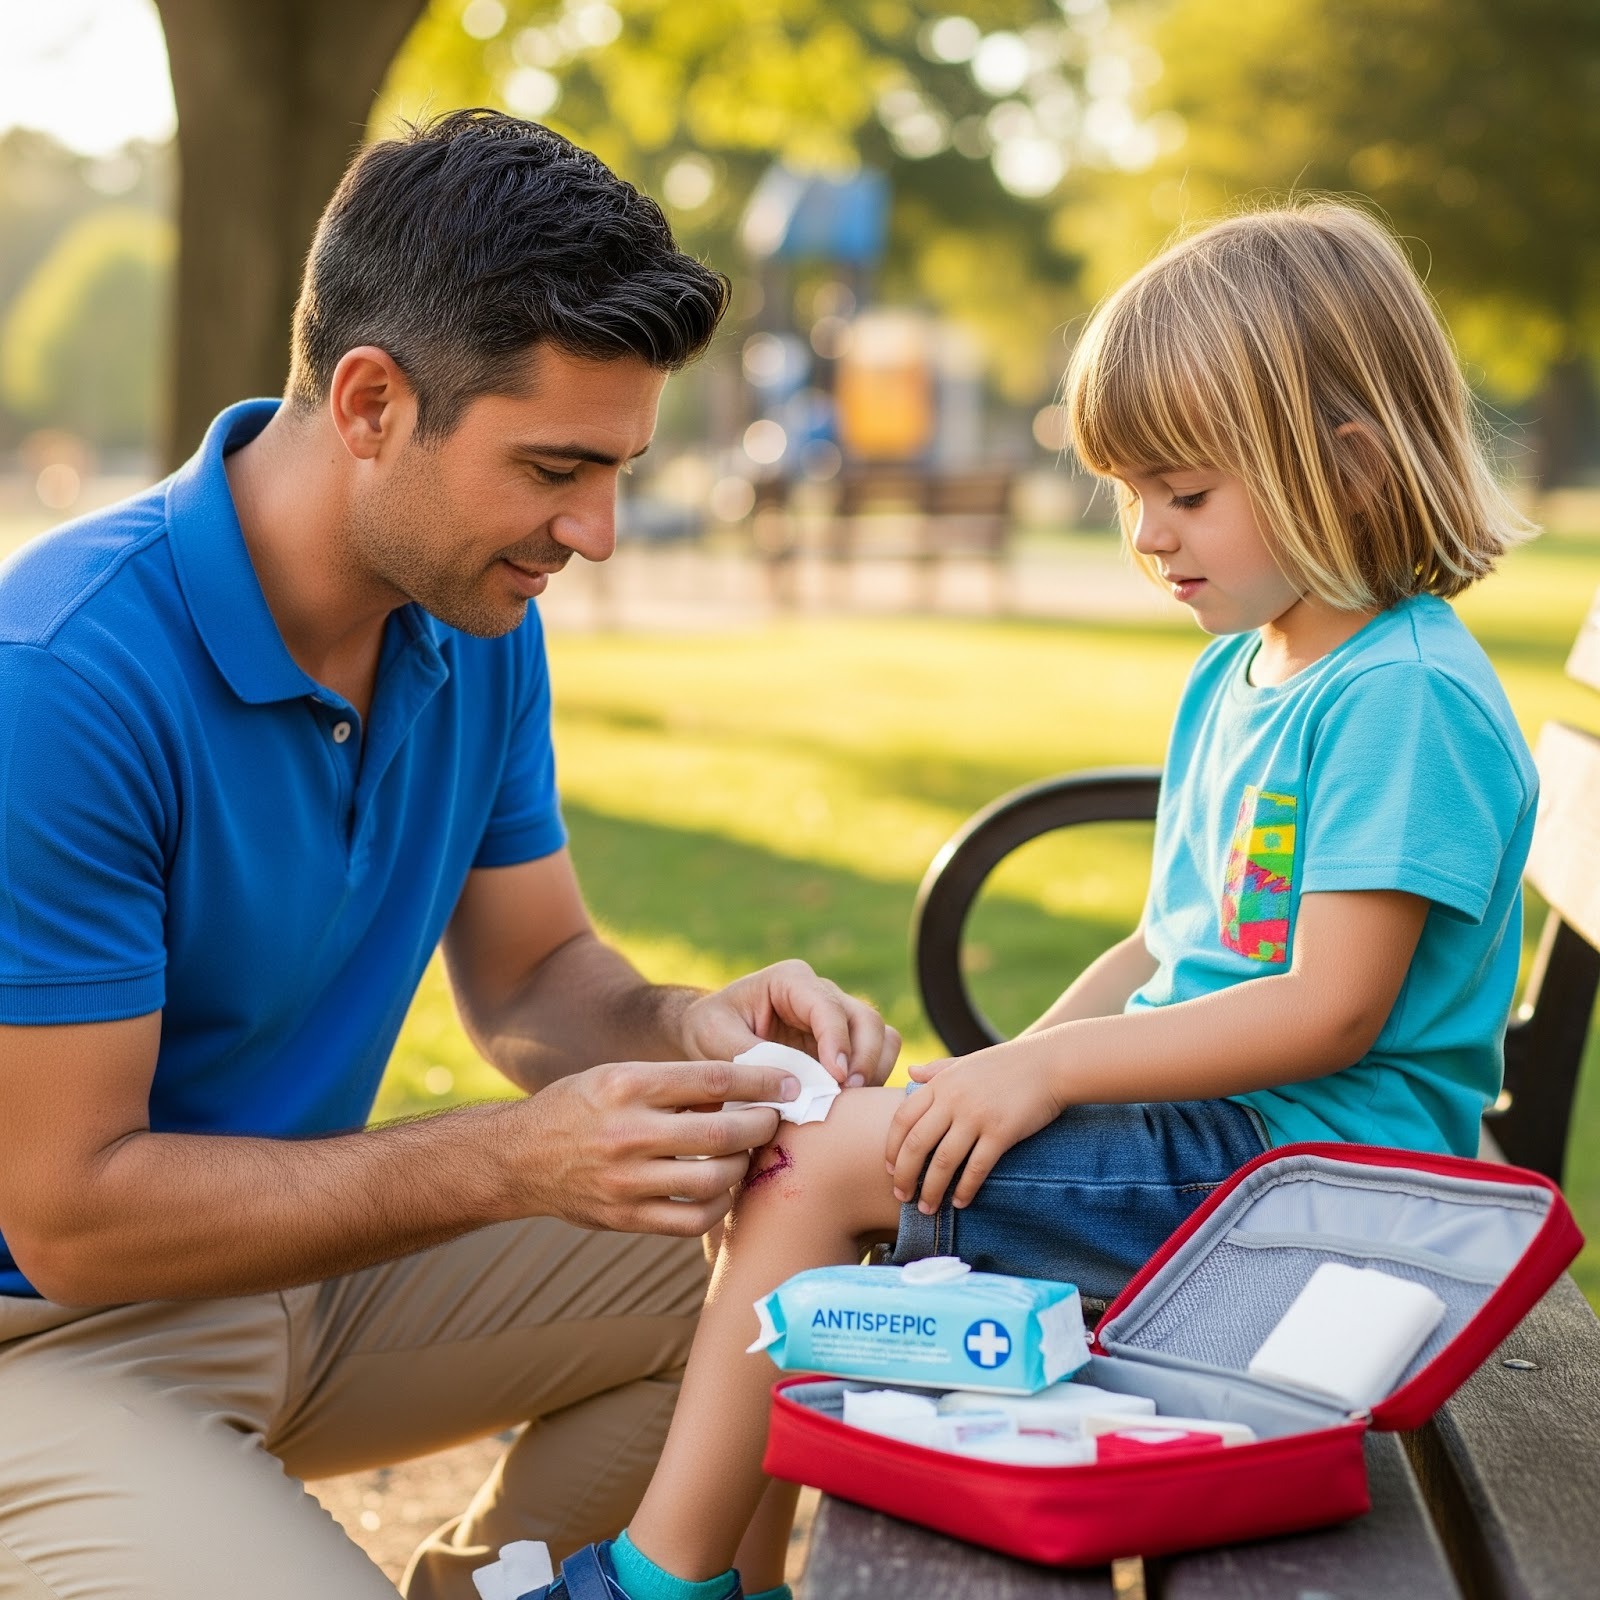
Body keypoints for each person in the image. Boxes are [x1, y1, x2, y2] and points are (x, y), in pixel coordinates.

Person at [523, 201, 1540, 1600]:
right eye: (1130, 494)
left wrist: (1048, 1073)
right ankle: (733, 1574)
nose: (1147, 536)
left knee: (814, 1167)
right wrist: (997, 1075)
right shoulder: (1255, 669)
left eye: (1185, 494)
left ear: (1350, 469)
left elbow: (1327, 1009)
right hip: (1229, 1150)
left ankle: (665, 1578)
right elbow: (1163, 946)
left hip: (1315, 1192)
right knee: (800, 1142)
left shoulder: (1403, 696)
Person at [0, 110, 900, 1600]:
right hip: (51, 1336)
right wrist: (505, 1159)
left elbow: (537, 976)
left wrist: (691, 1032)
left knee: (794, 1292)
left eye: (616, 470)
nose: (598, 531)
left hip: (304, 1275)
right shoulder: (60, 679)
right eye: (557, 465)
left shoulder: (474, 615)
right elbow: (71, 1211)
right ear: (368, 402)